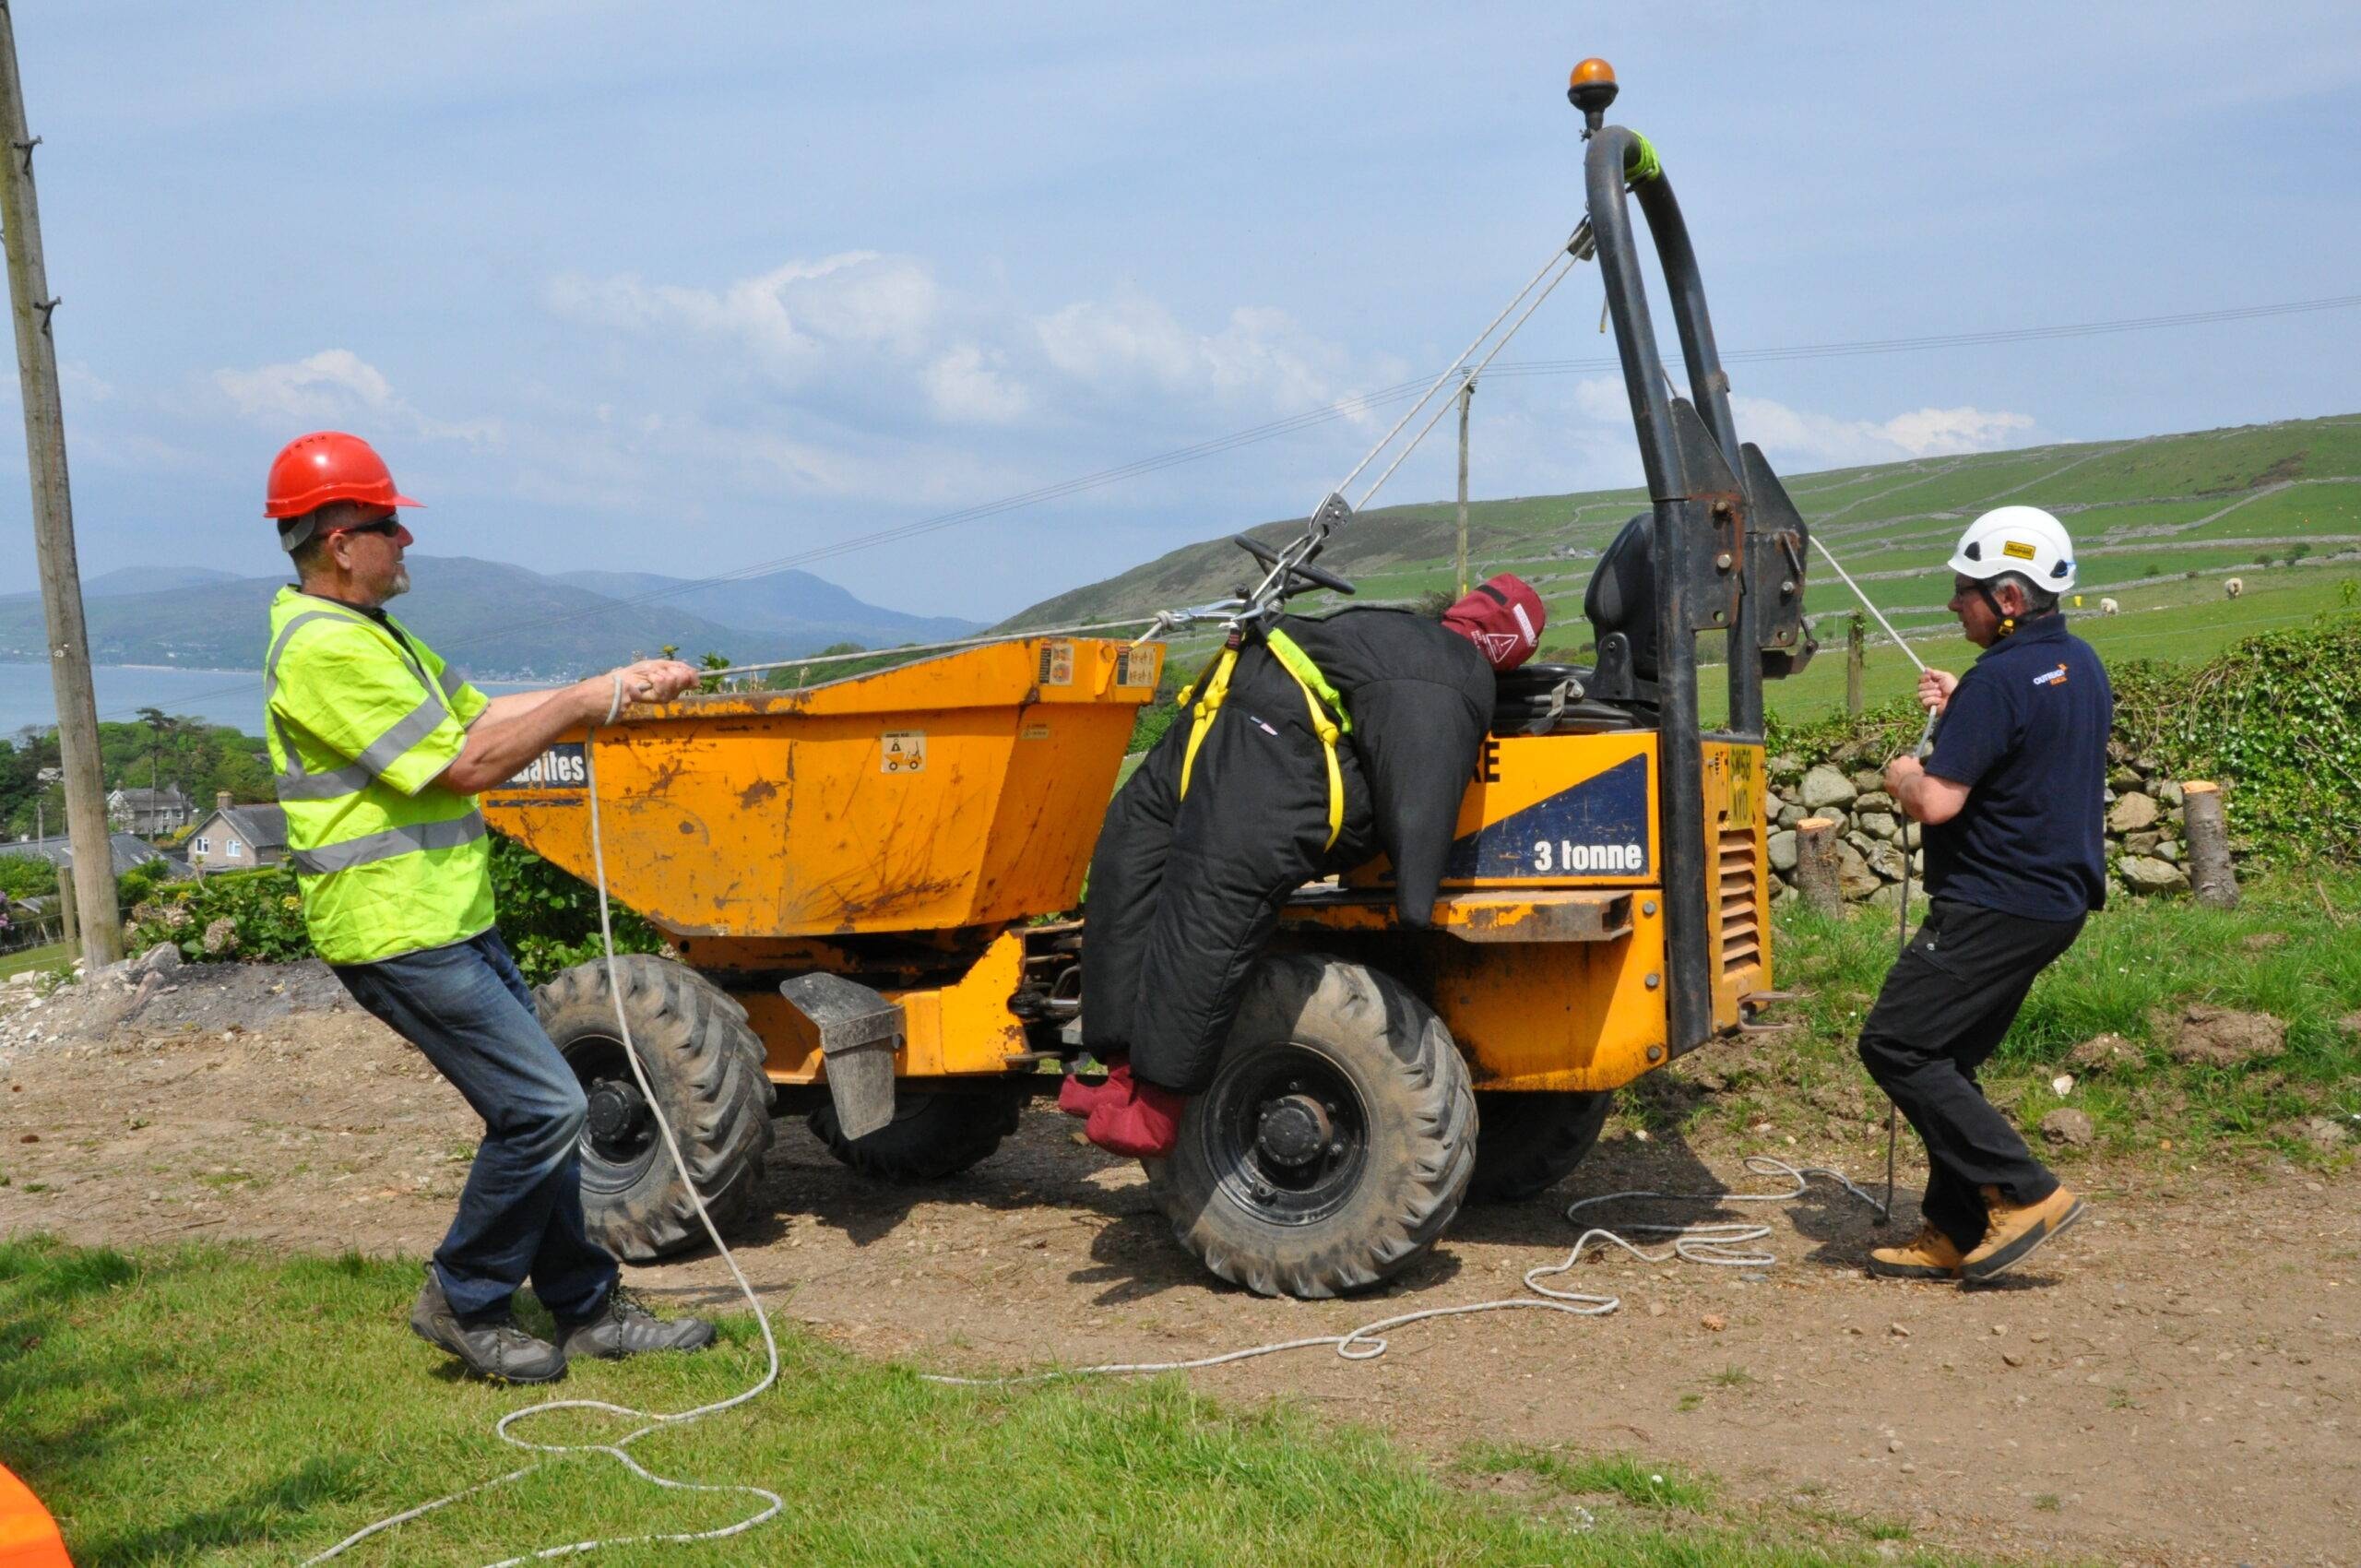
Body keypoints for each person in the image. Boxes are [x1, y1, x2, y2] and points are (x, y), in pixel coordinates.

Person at [262, 430, 716, 1383]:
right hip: (395, 930)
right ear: (342, 539)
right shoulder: (323, 650)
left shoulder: (372, 633)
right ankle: (463, 1297)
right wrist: (588, 699)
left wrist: (618, 687)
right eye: (391, 526)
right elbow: (468, 765)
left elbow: (479, 717)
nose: (407, 543)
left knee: (538, 1113)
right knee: (547, 1107)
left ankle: (586, 1306)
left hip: (445, 919)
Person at [1063, 575, 1547, 1157]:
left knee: (1189, 881)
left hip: (1252, 744)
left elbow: (1419, 752)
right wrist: (1418, 899)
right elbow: (1426, 774)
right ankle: (1122, 1074)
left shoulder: (1404, 633)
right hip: (1236, 726)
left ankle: (1157, 1108)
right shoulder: (1450, 664)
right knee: (1136, 857)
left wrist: (1413, 901)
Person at [1861, 505, 2111, 1285]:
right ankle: (1957, 1226)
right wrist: (1961, 700)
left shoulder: (1998, 680)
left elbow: (1936, 802)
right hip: (2051, 903)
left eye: (1963, 590)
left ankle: (2029, 1193)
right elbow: (2017, 729)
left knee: (1897, 1044)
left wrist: (1901, 772)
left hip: (1994, 903)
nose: (1951, 603)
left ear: (2007, 599)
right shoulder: (2077, 661)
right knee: (1948, 1057)